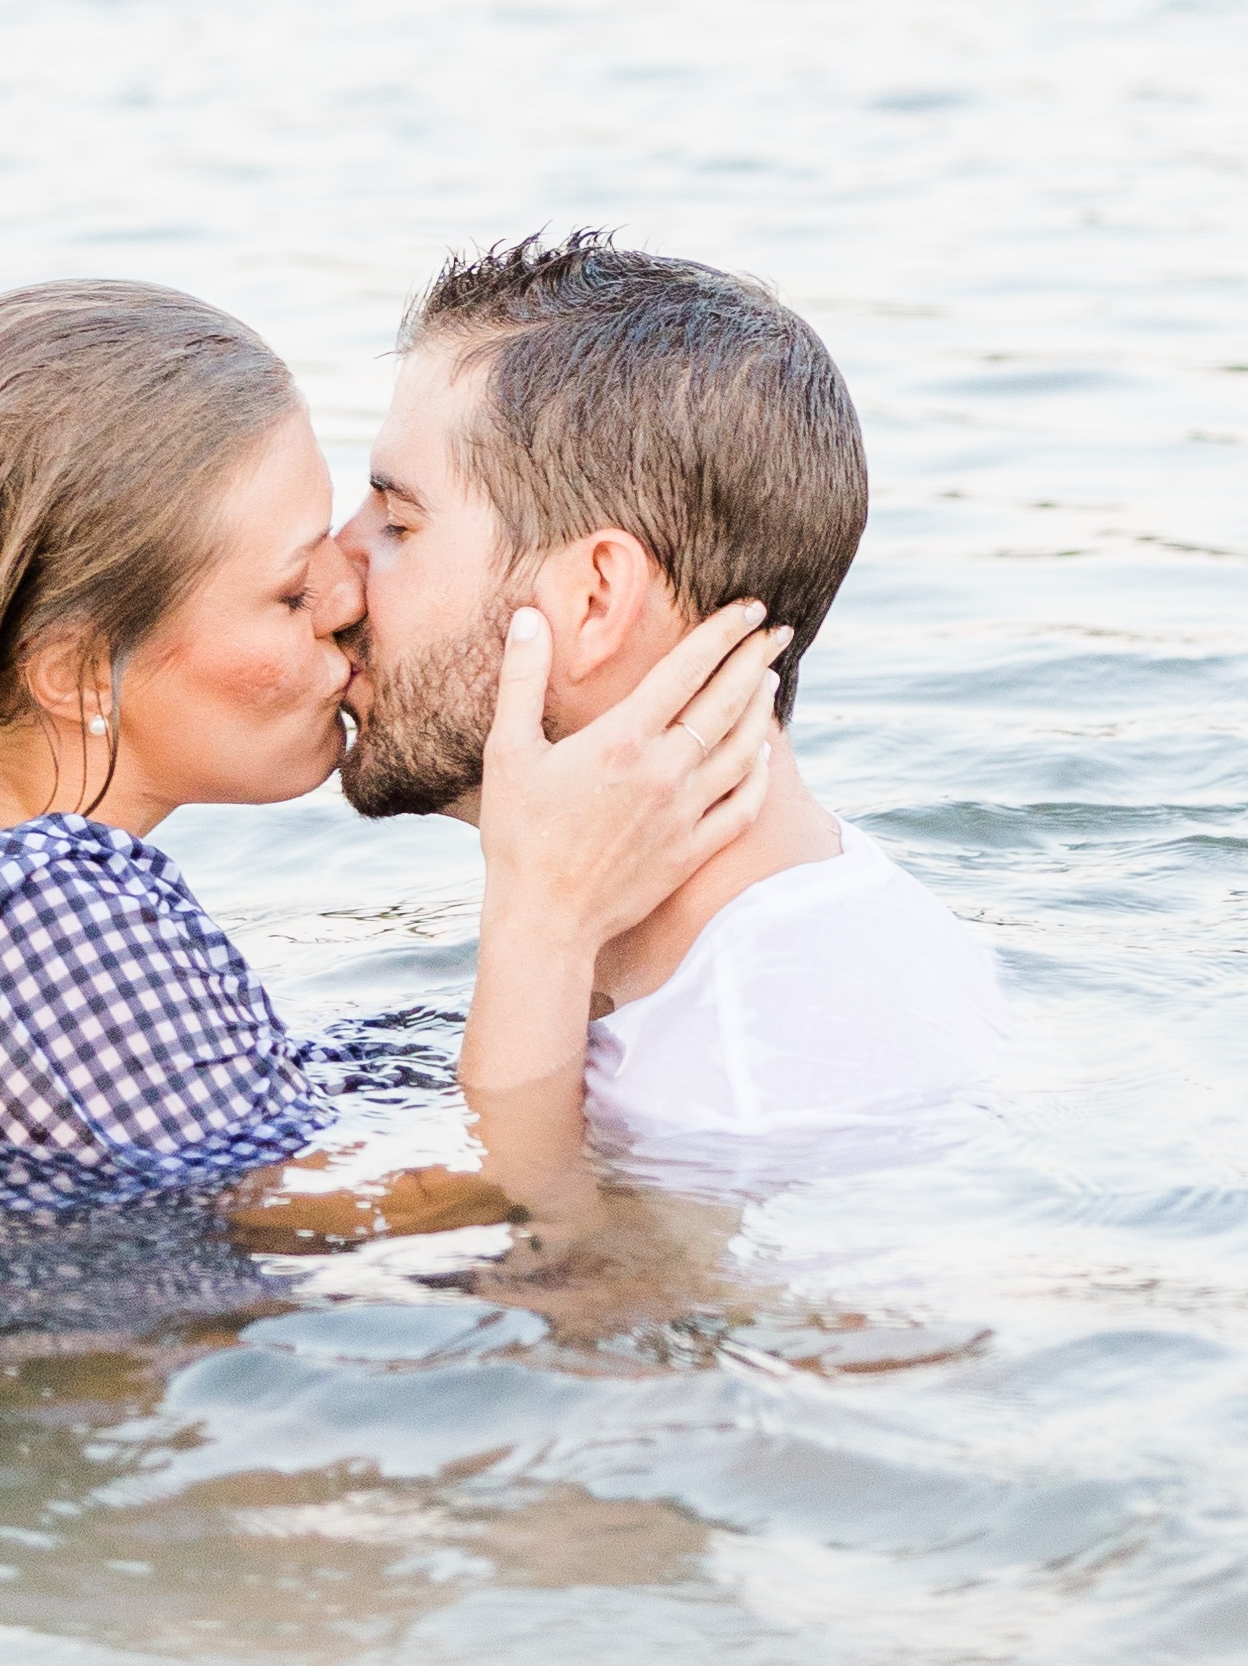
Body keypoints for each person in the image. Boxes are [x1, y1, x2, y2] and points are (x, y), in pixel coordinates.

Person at [0, 276, 784, 1201]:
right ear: (73, 670)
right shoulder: (32, 910)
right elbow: (502, 1202)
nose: (346, 595)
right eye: (291, 589)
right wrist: (546, 913)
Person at [339, 233, 1007, 1178]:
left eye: (398, 523)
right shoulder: (821, 931)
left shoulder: (731, 1095)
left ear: (595, 599)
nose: (331, 571)